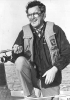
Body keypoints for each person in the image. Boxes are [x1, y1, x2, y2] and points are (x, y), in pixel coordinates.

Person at [12, 0, 70, 100]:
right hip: (32, 78)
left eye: (35, 14)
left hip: (50, 79)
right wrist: (17, 52)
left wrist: (55, 69)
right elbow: (15, 59)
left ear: (43, 14)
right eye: (29, 15)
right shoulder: (23, 33)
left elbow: (67, 53)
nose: (32, 17)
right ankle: (30, 95)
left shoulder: (56, 30)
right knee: (20, 61)